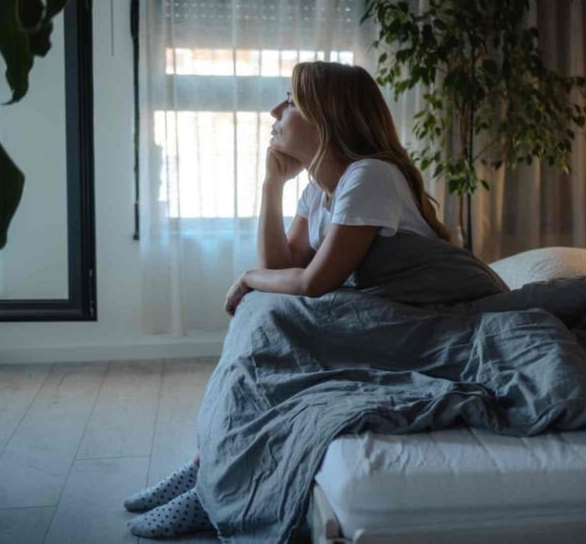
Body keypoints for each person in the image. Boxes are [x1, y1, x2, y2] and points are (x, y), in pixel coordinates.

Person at [124, 61, 452, 538]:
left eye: (292, 101)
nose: (276, 111)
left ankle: (213, 480)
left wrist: (249, 278)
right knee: (263, 313)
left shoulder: (370, 176)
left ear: (327, 117)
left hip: (419, 321)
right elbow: (283, 270)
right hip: (380, 313)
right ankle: (208, 465)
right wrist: (272, 184)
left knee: (264, 319)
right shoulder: (322, 191)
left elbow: (313, 282)